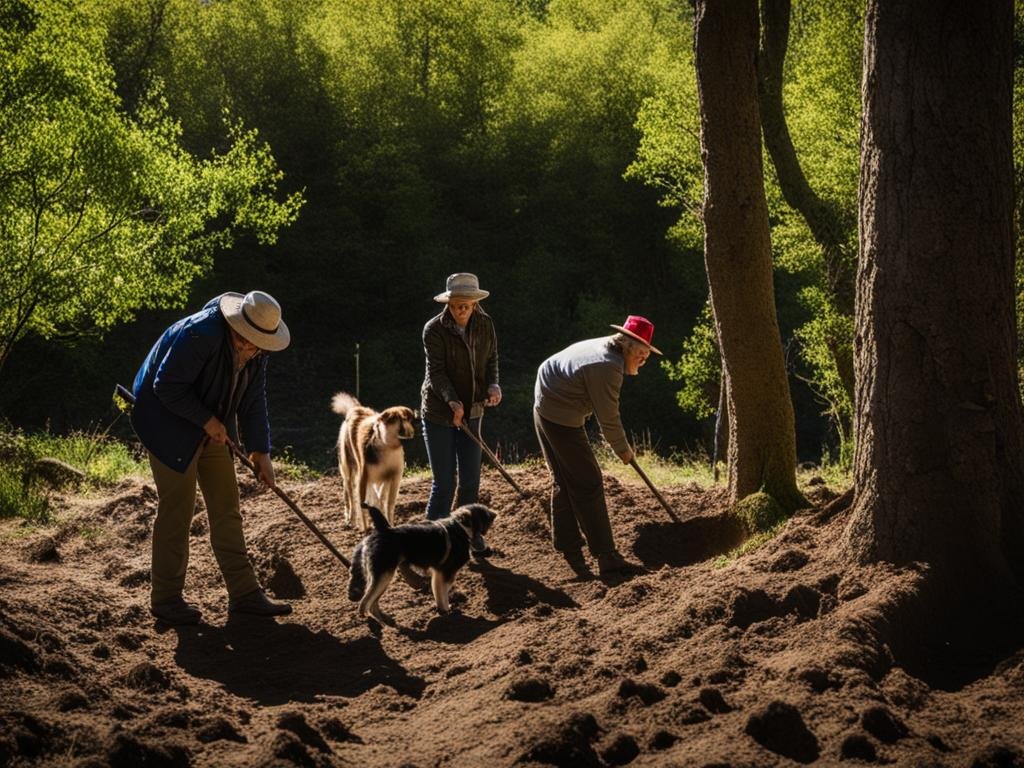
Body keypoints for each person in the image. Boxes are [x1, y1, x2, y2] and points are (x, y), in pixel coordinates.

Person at [130, 290, 293, 625]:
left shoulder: (258, 351)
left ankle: (245, 594)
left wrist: (261, 451)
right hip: (166, 423)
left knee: (226, 507)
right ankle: (166, 598)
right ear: (235, 326)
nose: (251, 348)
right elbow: (166, 386)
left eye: (258, 344)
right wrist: (207, 421)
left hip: (212, 424)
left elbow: (253, 401)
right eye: (246, 341)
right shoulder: (199, 335)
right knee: (178, 508)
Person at [533, 315, 661, 577]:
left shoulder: (608, 348)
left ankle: (570, 550)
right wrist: (623, 450)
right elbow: (609, 418)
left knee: (566, 480)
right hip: (557, 411)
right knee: (589, 480)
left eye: (647, 356)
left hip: (545, 401)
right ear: (627, 346)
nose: (643, 360)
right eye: (642, 354)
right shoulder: (608, 367)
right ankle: (607, 555)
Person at [420, 273, 501, 524]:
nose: (460, 310)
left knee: (470, 482)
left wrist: (493, 385)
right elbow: (437, 373)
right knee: (444, 483)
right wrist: (452, 402)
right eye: (454, 306)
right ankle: (431, 540)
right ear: (448, 304)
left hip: (474, 410)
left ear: (475, 304)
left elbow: (491, 359)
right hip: (438, 412)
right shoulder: (433, 329)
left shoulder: (485, 324)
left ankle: (467, 536)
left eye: (465, 306)